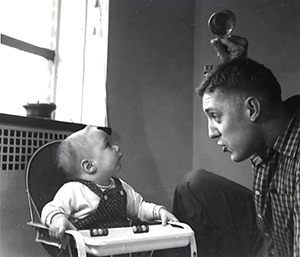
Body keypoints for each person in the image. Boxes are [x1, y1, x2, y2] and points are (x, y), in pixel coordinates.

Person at [173, 35, 300, 257]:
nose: (211, 133)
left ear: (251, 109)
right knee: (194, 185)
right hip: (272, 238)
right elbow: (260, 102)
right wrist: (238, 66)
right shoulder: (277, 121)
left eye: (216, 116)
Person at [41, 125, 178, 242]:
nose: (117, 147)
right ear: (89, 166)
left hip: (121, 249)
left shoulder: (121, 187)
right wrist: (58, 219)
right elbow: (50, 208)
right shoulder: (74, 190)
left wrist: (159, 212)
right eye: (108, 145)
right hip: (88, 252)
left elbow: (139, 208)